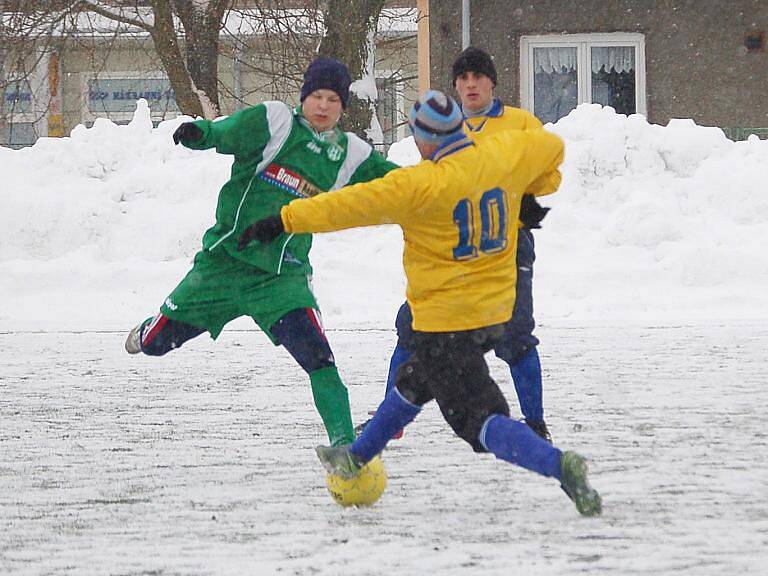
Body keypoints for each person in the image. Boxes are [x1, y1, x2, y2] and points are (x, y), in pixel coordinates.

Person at [237, 90, 602, 517]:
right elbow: (551, 146)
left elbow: (347, 206)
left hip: (444, 320)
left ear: (425, 140)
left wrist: (283, 220)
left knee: (478, 420)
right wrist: (529, 189)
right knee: (416, 378)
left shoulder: (418, 184)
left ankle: (560, 465)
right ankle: (356, 456)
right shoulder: (504, 154)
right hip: (493, 312)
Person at [124, 57, 398, 448]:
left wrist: (442, 186)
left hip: (281, 280)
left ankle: (344, 445)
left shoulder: (350, 153)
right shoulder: (276, 121)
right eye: (316, 96)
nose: (323, 106)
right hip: (223, 267)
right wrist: (197, 133)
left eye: (333, 100)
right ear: (304, 97)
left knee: (319, 358)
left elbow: (400, 185)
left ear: (343, 107)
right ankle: (152, 328)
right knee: (155, 347)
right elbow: (226, 132)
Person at [367, 46, 559, 442]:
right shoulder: (445, 129)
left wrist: (526, 196)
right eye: (463, 79)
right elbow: (431, 185)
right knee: (413, 326)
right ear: (455, 86)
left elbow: (548, 173)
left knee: (516, 334)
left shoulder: (521, 124)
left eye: (478, 77)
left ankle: (535, 423)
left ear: (492, 82)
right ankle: (389, 420)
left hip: (506, 249)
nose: (471, 85)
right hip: (450, 251)